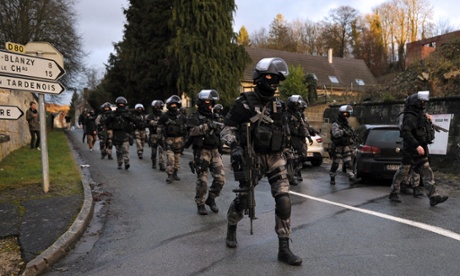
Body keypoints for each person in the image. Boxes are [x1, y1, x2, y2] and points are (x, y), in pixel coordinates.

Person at [220, 57, 302, 266]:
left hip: (274, 157)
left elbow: (284, 132)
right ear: (259, 77)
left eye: (277, 78)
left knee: (284, 200)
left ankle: (284, 248)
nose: (273, 82)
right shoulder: (243, 103)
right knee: (244, 201)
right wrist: (236, 147)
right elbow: (226, 129)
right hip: (252, 155)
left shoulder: (279, 105)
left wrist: (290, 152)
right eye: (269, 77)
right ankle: (231, 224)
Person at [389, 91, 448, 206]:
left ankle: (433, 196)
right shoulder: (409, 116)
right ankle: (393, 192)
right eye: (422, 101)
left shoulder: (420, 115)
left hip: (420, 149)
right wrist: (416, 145)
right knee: (403, 172)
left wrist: (429, 121)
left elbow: (424, 130)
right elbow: (406, 133)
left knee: (427, 171)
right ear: (415, 102)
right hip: (410, 149)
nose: (424, 103)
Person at [186, 89, 225, 215]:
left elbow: (223, 131)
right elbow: (191, 131)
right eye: (207, 101)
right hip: (202, 151)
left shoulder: (215, 116)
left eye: (211, 102)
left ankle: (211, 198)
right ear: (201, 102)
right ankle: (200, 203)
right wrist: (208, 126)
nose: (209, 104)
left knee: (220, 179)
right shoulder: (194, 116)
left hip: (214, 151)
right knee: (202, 180)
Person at [157, 95, 187, 183]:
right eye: (172, 104)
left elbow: (186, 129)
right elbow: (159, 128)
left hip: (179, 140)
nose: (174, 106)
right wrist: (159, 138)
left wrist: (186, 140)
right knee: (170, 158)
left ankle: (175, 173)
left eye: (175, 104)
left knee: (177, 158)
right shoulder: (164, 117)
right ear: (169, 105)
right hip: (169, 140)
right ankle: (170, 175)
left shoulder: (182, 117)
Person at [284, 95, 312, 185]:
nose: (296, 106)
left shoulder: (298, 115)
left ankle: (294, 173)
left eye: (297, 104)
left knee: (301, 156)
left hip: (297, 138)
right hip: (288, 139)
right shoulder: (285, 114)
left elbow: (303, 126)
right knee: (290, 158)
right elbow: (284, 127)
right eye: (295, 104)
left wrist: (308, 136)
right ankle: (291, 177)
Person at [329, 105, 356, 185]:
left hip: (346, 146)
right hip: (338, 146)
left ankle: (351, 178)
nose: (346, 116)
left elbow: (351, 133)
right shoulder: (336, 123)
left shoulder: (347, 124)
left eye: (347, 114)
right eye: (345, 114)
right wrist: (343, 132)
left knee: (349, 162)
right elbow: (335, 134)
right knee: (336, 163)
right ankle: (332, 176)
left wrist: (351, 134)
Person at [106, 96, 135, 170]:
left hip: (125, 133)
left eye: (122, 104)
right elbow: (107, 122)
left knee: (125, 149)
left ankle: (126, 162)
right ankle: (120, 163)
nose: (121, 105)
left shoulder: (128, 113)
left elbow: (134, 121)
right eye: (120, 104)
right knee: (118, 150)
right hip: (116, 133)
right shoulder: (114, 114)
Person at [147, 100, 166, 170]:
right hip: (154, 135)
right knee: (154, 151)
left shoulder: (163, 115)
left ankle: (162, 164)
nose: (158, 108)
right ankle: (154, 162)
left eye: (159, 107)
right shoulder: (151, 115)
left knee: (162, 150)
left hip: (162, 135)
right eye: (156, 107)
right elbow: (149, 122)